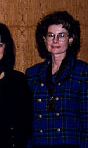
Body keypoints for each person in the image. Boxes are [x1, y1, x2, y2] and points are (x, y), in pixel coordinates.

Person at [25, 11, 87, 148]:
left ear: (71, 39)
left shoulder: (83, 72)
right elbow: (29, 121)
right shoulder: (32, 74)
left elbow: (86, 120)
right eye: (51, 35)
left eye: (61, 36)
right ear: (44, 39)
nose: (55, 40)